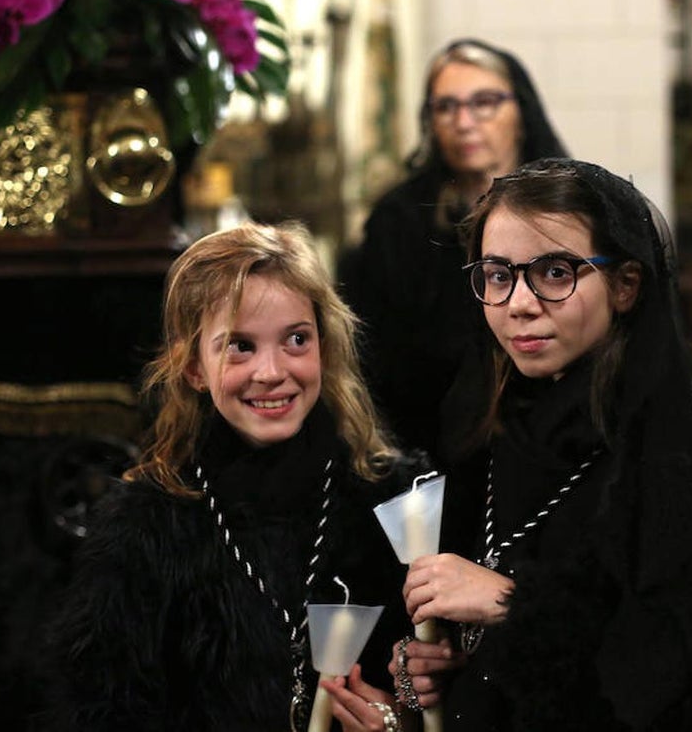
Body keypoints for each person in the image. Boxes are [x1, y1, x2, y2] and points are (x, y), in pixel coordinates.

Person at [390, 158, 692, 731]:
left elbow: (680, 669)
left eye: (555, 272)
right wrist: (429, 665)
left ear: (625, 285)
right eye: (498, 275)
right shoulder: (487, 420)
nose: (519, 303)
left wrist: (511, 605)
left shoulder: (681, 438)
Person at [42, 222, 415, 731]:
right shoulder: (145, 526)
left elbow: (444, 689)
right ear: (194, 366)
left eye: (297, 340)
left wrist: (399, 719)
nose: (272, 372)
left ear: (324, 347)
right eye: (240, 346)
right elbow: (97, 711)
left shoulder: (390, 501)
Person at [341, 38, 568, 464]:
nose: (463, 122)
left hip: (553, 435)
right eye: (445, 107)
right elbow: (372, 356)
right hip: (428, 444)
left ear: (520, 112)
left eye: (484, 103)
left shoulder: (569, 209)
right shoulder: (399, 219)